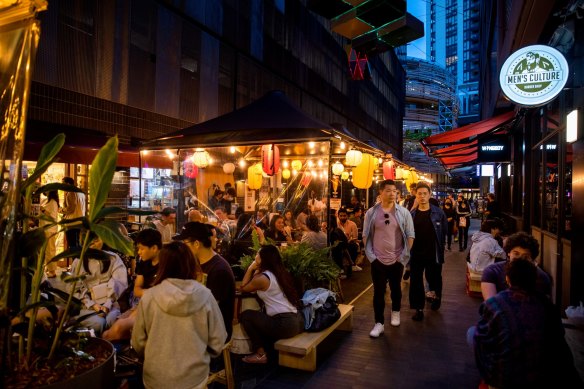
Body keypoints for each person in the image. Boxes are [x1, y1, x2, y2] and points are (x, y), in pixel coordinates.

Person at [469, 259, 582, 388]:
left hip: (502, 378)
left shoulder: (495, 303)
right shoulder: (546, 304)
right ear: (534, 280)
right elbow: (558, 339)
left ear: (507, 279)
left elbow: (482, 338)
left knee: (472, 333)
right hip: (542, 378)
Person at [131, 241, 227, 389]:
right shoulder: (205, 295)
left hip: (156, 378)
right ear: (190, 264)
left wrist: (154, 354)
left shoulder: (149, 297)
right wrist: (200, 355)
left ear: (162, 266)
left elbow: (138, 342)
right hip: (194, 379)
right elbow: (217, 340)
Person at [363, 179, 415, 337]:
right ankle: (378, 323)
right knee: (378, 292)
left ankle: (396, 311)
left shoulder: (403, 212)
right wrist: (372, 257)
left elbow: (410, 235)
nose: (392, 194)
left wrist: (402, 257)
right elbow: (366, 235)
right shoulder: (371, 213)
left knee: (396, 289)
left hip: (397, 259)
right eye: (388, 190)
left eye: (394, 191)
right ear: (380, 192)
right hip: (377, 260)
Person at [239, 245, 304, 364]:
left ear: (264, 258)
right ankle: (266, 349)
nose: (255, 256)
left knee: (246, 316)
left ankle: (260, 354)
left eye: (258, 254)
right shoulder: (280, 273)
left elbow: (244, 287)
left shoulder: (263, 278)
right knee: (260, 316)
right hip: (298, 321)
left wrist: (250, 268)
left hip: (284, 324)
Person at [175, 222, 236, 339]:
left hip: (215, 331)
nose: (183, 247)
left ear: (197, 244)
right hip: (198, 323)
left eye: (185, 243)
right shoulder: (195, 263)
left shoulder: (219, 270)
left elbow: (211, 310)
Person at [103, 229, 161, 341]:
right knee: (117, 325)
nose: (139, 252)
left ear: (154, 248)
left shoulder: (167, 263)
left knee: (122, 328)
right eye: (138, 249)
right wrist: (153, 292)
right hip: (141, 302)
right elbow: (137, 290)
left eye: (142, 249)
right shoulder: (143, 263)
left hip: (155, 306)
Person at [69, 235, 128, 335]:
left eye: (97, 241)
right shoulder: (78, 262)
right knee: (98, 324)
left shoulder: (113, 258)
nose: (94, 245)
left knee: (112, 320)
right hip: (86, 306)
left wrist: (108, 304)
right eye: (90, 242)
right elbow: (74, 289)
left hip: (111, 303)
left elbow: (119, 282)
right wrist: (92, 304)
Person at [409, 182, 447, 321]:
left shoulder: (438, 212)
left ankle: (437, 297)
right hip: (416, 254)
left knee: (434, 279)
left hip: (433, 253)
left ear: (429, 195)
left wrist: (441, 249)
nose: (422, 196)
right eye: (420, 193)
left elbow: (444, 232)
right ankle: (418, 309)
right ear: (416, 195)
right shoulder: (412, 214)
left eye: (425, 193)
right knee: (416, 282)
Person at [481, 231, 552, 300]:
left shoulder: (540, 276)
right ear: (509, 253)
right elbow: (490, 303)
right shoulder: (492, 271)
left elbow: (540, 306)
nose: (520, 259)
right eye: (516, 254)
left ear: (531, 259)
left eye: (526, 256)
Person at [60, 176, 86, 249]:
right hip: (80, 221)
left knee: (72, 245)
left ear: (68, 184)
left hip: (72, 222)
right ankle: (79, 260)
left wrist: (61, 210)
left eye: (63, 184)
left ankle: (75, 260)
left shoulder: (71, 192)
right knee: (78, 244)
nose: (62, 186)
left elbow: (71, 208)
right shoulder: (81, 193)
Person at [40, 190, 60, 277]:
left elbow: (51, 216)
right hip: (47, 229)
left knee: (50, 250)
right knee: (48, 250)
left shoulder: (53, 202)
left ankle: (52, 271)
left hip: (50, 229)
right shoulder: (50, 201)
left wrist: (42, 210)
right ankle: (49, 269)